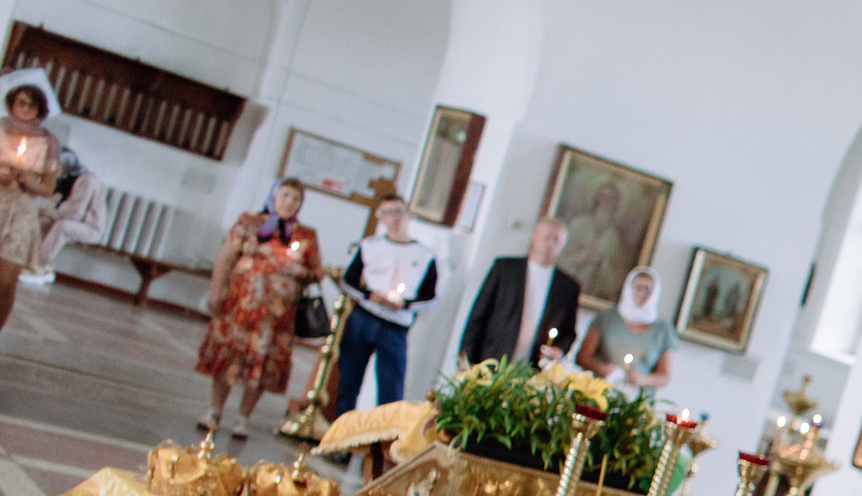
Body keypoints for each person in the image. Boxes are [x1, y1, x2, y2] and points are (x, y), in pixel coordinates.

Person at [197, 179, 323, 438]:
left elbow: (317, 272)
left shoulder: (305, 235)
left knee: (263, 364)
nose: (289, 202)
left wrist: (299, 270)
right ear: (274, 195)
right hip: (240, 308)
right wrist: (216, 291)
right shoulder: (250, 222)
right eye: (285, 195)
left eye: (296, 198)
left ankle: (243, 418)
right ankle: (215, 410)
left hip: (276, 317)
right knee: (229, 356)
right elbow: (226, 258)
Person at [332, 192, 439, 419]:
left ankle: (382, 438)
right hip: (365, 318)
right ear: (381, 218)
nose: (395, 218)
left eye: (399, 211)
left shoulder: (424, 255)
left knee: (390, 390)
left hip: (395, 326)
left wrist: (405, 304)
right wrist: (369, 295)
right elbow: (348, 280)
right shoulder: (370, 245)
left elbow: (430, 296)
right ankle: (341, 433)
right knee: (349, 382)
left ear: (408, 215)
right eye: (388, 213)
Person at [455, 217, 584, 367]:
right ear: (535, 236)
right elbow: (479, 314)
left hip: (533, 368)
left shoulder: (568, 287)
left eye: (556, 240)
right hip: (491, 359)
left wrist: (558, 351)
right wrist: (466, 357)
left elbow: (568, 332)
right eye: (547, 237)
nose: (550, 244)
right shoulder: (505, 268)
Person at [0, 72, 64, 334]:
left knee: (6, 281)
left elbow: (48, 188)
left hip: (21, 212)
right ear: (11, 104)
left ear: (40, 110)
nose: (25, 109)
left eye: (32, 105)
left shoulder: (48, 141)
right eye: (21, 103)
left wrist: (28, 182)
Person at [572, 265, 677, 392]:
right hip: (599, 392)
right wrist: (603, 369)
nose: (641, 293)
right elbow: (582, 357)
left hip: (637, 398)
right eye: (638, 287)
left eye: (647, 289)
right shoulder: (606, 317)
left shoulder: (663, 329)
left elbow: (665, 376)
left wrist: (640, 379)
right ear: (629, 287)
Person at [36, 149, 106, 279]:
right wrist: (46, 213)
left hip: (90, 228)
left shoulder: (87, 180)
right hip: (70, 219)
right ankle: (31, 261)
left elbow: (76, 213)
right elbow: (56, 202)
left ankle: (41, 267)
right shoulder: (67, 180)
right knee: (43, 223)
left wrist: (50, 213)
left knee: (61, 227)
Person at [555, 177, 631, 291]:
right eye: (604, 197)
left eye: (612, 199)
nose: (607, 202)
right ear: (597, 199)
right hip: (565, 286)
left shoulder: (613, 237)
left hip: (592, 289)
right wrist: (579, 257)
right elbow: (559, 258)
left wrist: (602, 261)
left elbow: (615, 278)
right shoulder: (579, 224)